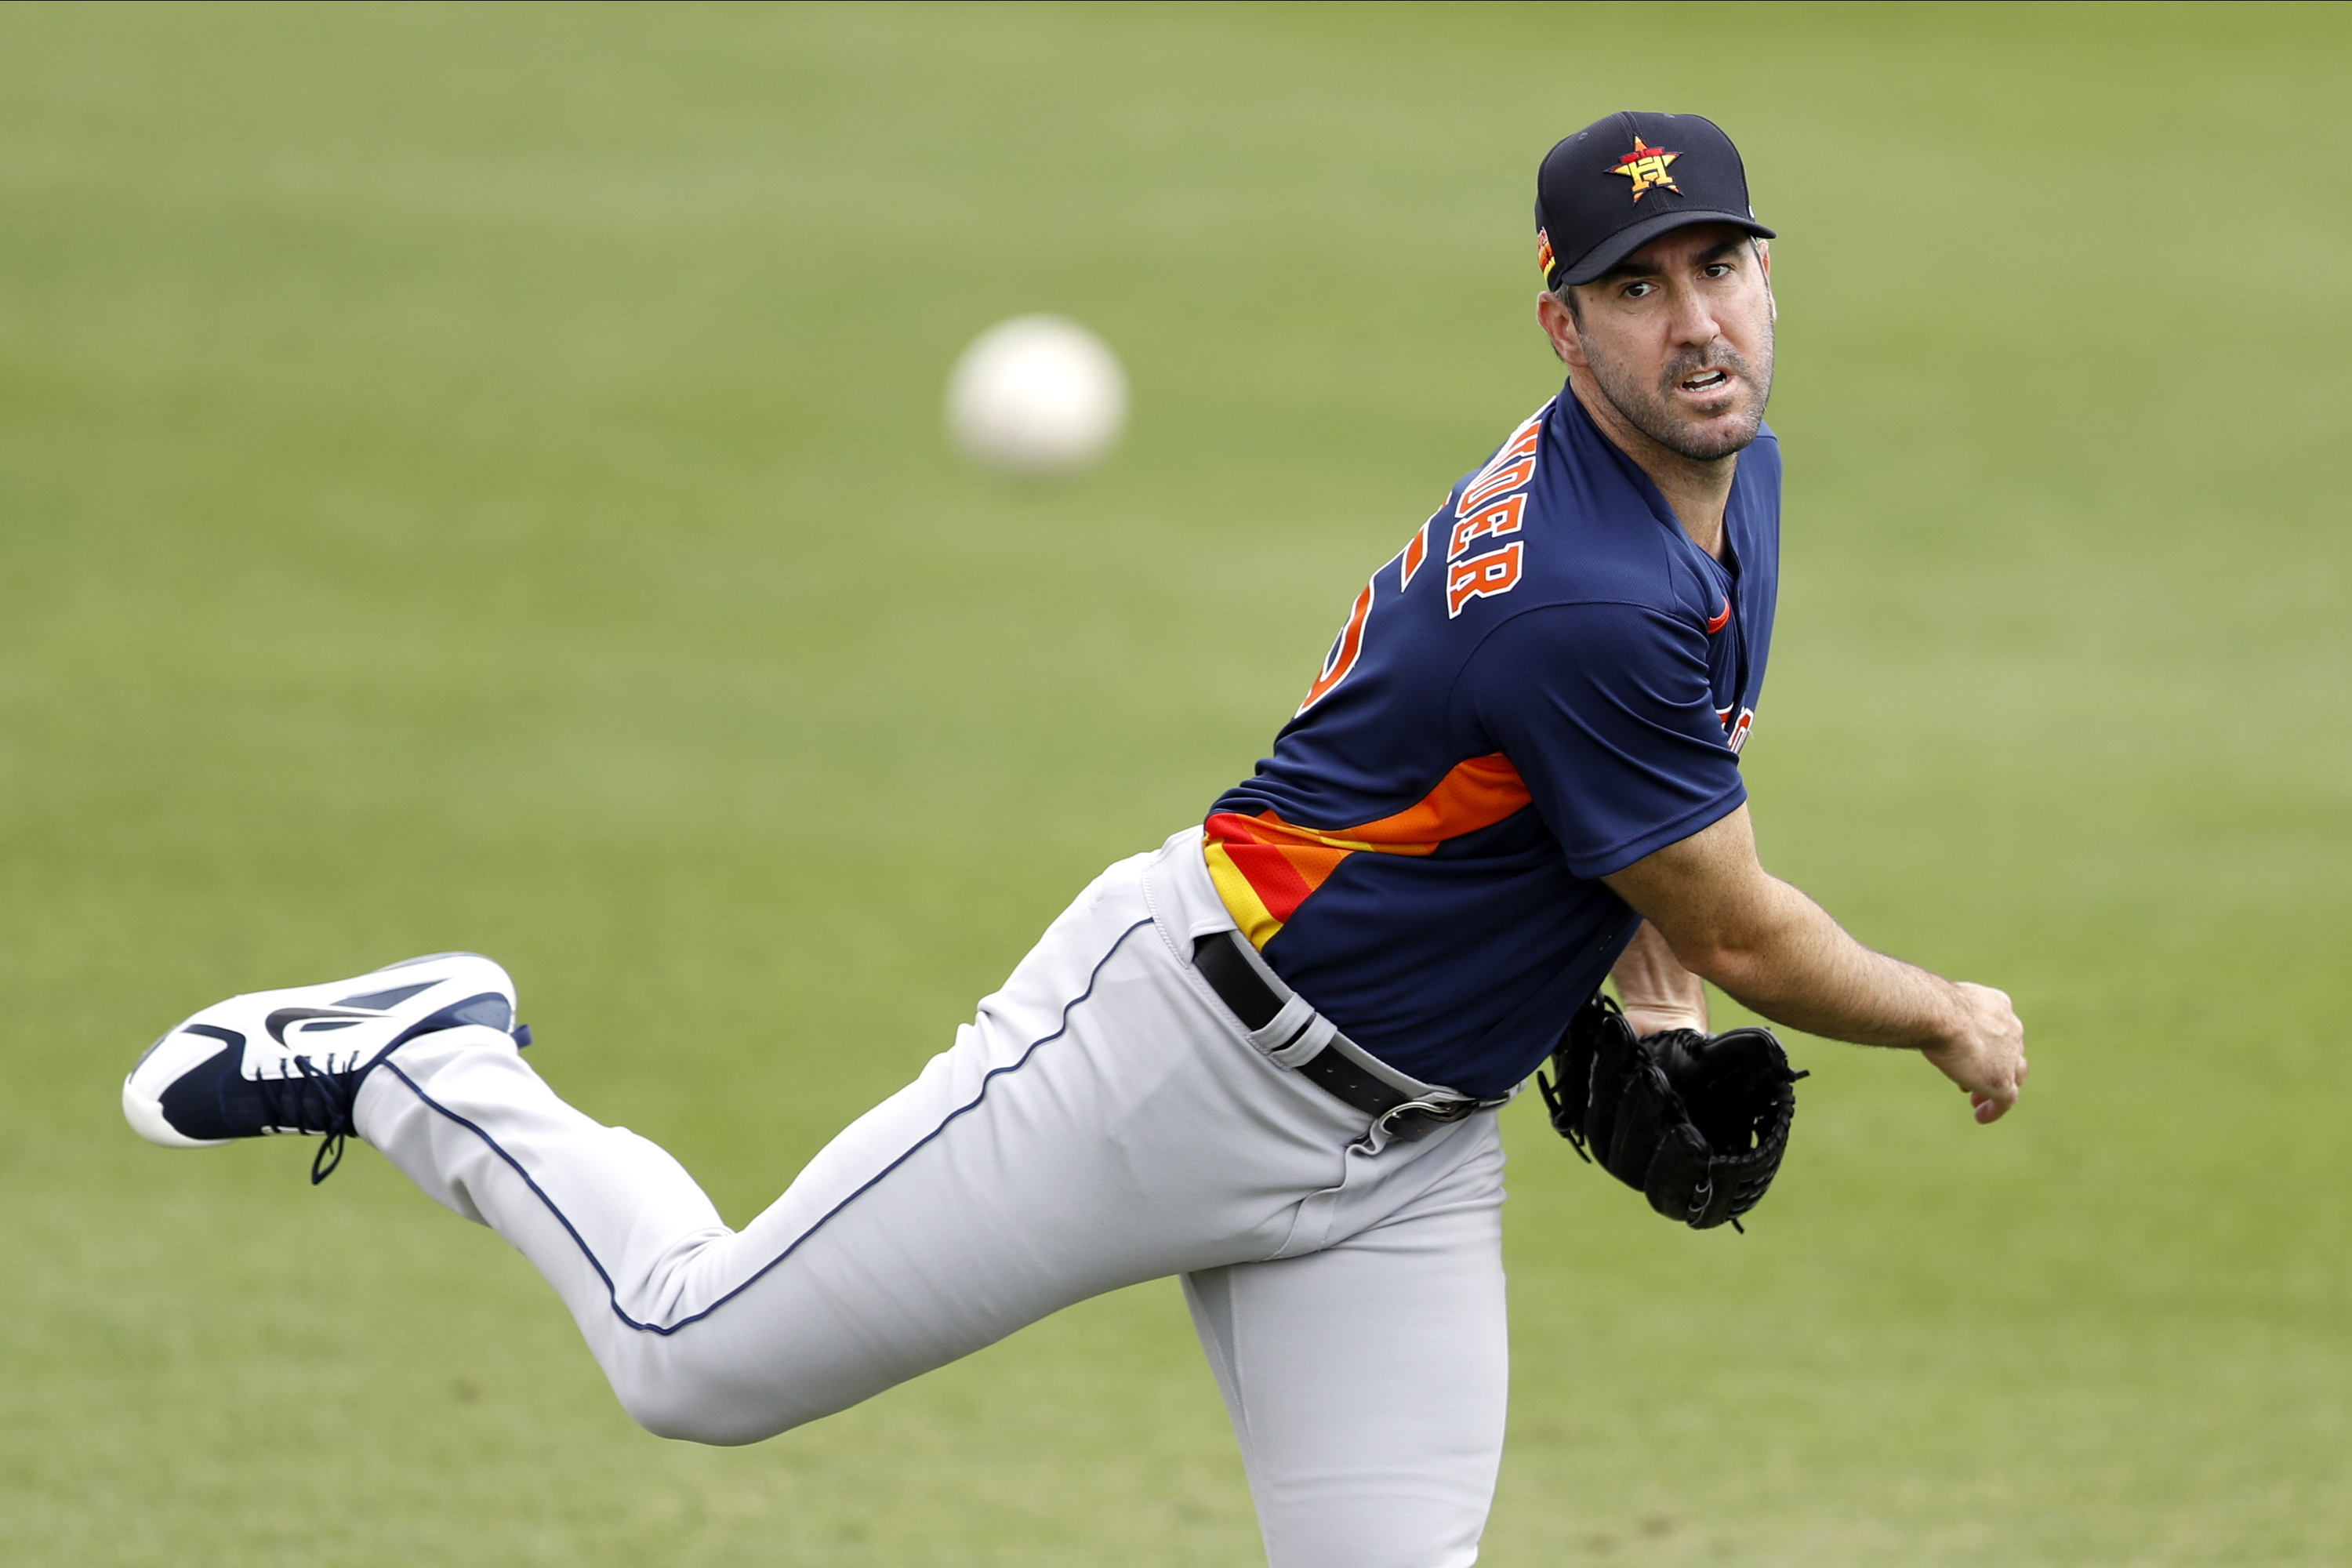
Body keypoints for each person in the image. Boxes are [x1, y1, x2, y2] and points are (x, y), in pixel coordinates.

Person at [122, 111, 2026, 1568]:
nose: (1696, 318)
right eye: (1640, 282)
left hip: (1408, 1167)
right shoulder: (1586, 593)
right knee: (688, 1356)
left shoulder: (1725, 480)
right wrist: (1943, 1011)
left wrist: (1660, 1017)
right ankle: (428, 1064)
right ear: (1563, 317)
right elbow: (1741, 915)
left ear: (1772, 274)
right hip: (1171, 1060)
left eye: (1722, 263)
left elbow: (1649, 840)